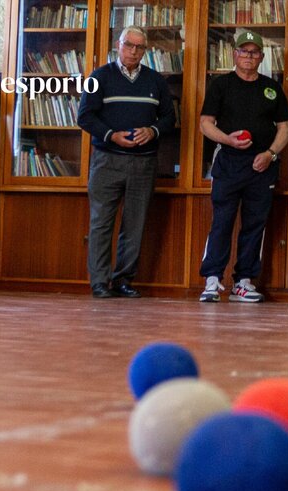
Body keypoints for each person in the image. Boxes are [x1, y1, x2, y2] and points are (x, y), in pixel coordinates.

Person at [78, 26, 176, 298]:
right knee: (101, 223)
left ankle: (123, 280)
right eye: (129, 45)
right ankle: (100, 283)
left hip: (143, 164)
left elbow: (169, 119)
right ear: (118, 45)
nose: (134, 51)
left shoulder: (156, 81)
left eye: (140, 47)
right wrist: (112, 136)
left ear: (146, 50)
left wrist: (153, 130)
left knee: (135, 225)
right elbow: (84, 116)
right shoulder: (99, 77)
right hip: (107, 161)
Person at [197, 29, 288, 303]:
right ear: (234, 54)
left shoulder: (272, 88)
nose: (248, 56)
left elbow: (285, 128)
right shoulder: (221, 85)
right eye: (243, 51)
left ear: (261, 57)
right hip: (227, 163)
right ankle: (212, 280)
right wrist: (227, 139)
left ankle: (244, 282)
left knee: (255, 225)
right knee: (222, 222)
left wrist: (270, 153)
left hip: (262, 167)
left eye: (254, 52)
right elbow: (205, 123)